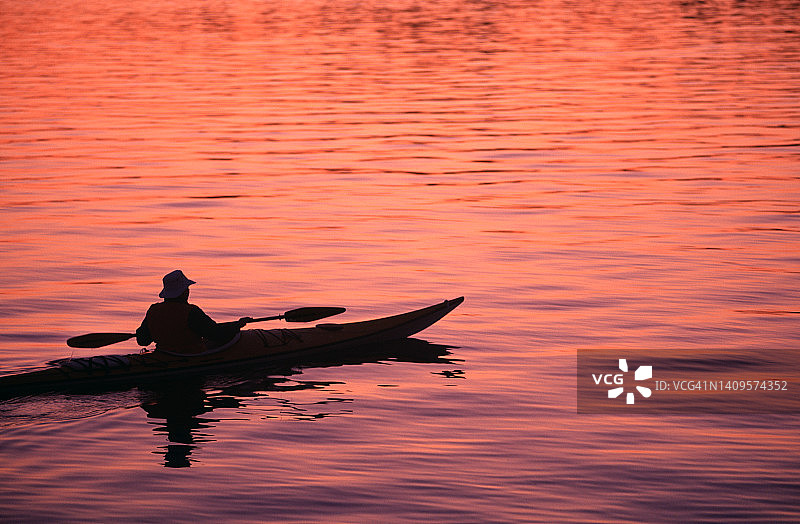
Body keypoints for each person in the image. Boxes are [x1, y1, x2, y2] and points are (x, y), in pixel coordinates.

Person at [136, 270, 252, 355]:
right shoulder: (191, 312)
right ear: (184, 292)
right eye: (186, 289)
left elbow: (142, 340)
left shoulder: (153, 310)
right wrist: (238, 325)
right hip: (190, 356)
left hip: (163, 354)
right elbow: (216, 334)